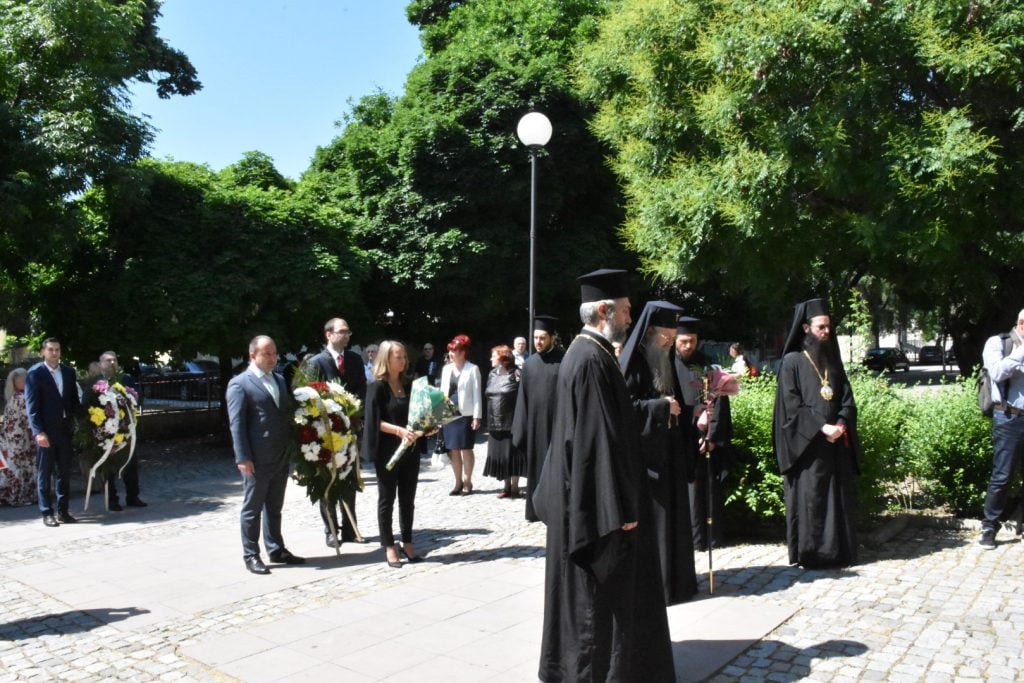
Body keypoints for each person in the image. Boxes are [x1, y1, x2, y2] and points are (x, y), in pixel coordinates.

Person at [533, 269, 674, 682]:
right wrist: (619, 510)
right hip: (596, 510)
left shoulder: (589, 353)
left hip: (588, 499)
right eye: (625, 310)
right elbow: (597, 444)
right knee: (595, 604)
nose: (630, 317)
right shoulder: (591, 359)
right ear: (603, 311)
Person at [619, 300, 696, 605]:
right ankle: (659, 586)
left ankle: (679, 582)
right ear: (650, 332)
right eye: (666, 337)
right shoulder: (633, 362)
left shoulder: (664, 358)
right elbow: (625, 409)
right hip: (647, 457)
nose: (669, 344)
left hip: (671, 451)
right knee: (657, 521)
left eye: (672, 338)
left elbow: (677, 401)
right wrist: (662, 407)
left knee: (676, 517)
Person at [773, 298, 860, 568]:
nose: (826, 331)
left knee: (838, 497)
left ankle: (839, 552)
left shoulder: (832, 361)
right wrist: (822, 427)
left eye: (828, 327)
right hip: (808, 446)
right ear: (806, 328)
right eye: (821, 327)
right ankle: (812, 555)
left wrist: (841, 424)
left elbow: (846, 398)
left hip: (835, 443)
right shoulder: (792, 362)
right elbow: (791, 405)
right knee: (813, 498)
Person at [227, 335, 304, 575]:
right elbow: (237, 424)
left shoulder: (279, 379)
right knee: (253, 508)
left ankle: (276, 549)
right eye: (266, 354)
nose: (272, 358)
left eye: (274, 354)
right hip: (257, 458)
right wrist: (243, 457)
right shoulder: (240, 384)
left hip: (280, 454)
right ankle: (251, 554)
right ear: (253, 356)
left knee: (274, 506)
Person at [363, 340, 428, 567]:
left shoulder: (410, 385)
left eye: (404, 356)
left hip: (410, 450)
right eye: (398, 357)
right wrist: (398, 430)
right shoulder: (377, 387)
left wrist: (429, 426)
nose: (403, 360)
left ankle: (407, 542)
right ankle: (389, 545)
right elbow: (373, 421)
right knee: (387, 499)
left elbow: (419, 415)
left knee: (408, 499)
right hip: (387, 451)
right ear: (386, 359)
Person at [306, 317, 367, 548]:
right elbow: (310, 396)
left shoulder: (354, 359)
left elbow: (361, 388)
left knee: (350, 477)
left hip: (350, 428)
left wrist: (354, 411)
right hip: (326, 432)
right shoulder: (316, 362)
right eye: (342, 331)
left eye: (348, 331)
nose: (347, 335)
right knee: (328, 480)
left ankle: (350, 528)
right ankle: (331, 530)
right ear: (329, 334)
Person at [675, 318, 734, 552]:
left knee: (706, 488)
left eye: (692, 341)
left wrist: (711, 436)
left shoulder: (708, 365)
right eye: (683, 341)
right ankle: (687, 538)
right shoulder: (667, 365)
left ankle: (708, 538)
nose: (688, 346)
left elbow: (719, 402)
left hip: (703, 439)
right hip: (679, 436)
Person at [979, 309, 1024, 549]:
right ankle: (989, 528)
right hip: (1009, 417)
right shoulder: (998, 343)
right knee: (1002, 475)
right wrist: (1022, 351)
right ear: (1021, 323)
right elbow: (996, 372)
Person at [511, 315, 563, 522]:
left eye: (542, 338)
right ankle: (535, 509)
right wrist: (520, 429)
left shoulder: (563, 361)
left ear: (552, 338)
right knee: (537, 468)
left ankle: (555, 509)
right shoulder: (530, 365)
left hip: (557, 425)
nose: (538, 342)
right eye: (535, 338)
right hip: (535, 427)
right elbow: (522, 399)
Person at [25, 338, 82, 527]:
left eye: (57, 349)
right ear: (43, 352)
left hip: (65, 429)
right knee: (45, 472)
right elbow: (32, 407)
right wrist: (38, 432)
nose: (54, 353)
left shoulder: (68, 372)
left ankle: (63, 511)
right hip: (46, 431)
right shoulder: (35, 373)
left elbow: (73, 401)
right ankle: (46, 512)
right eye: (50, 349)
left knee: (64, 471)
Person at [99, 351, 146, 510]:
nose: (112, 362)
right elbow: (89, 403)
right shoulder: (97, 382)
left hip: (126, 429)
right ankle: (112, 499)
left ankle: (133, 496)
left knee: (130, 464)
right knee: (109, 468)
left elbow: (137, 398)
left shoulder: (126, 379)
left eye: (114, 360)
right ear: (101, 364)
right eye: (108, 360)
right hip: (106, 431)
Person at [440, 334, 482, 495]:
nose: (451, 354)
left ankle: (467, 481)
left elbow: (477, 394)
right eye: (450, 351)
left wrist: (477, 416)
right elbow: (442, 393)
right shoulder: (446, 369)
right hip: (449, 412)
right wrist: (438, 415)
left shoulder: (473, 369)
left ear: (463, 352)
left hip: (466, 414)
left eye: (454, 351)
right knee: (453, 449)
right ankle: (457, 482)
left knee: (466, 448)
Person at [483, 345, 525, 498]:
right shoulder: (492, 374)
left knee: (513, 454)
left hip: (511, 422)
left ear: (502, 358)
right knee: (501, 455)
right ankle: (506, 486)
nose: (491, 359)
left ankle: (515, 487)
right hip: (494, 422)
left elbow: (523, 397)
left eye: (493, 356)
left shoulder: (516, 374)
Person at [1, 368, 36, 506]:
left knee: (14, 467)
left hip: (12, 438)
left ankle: (13, 495)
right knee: (23, 466)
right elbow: (28, 420)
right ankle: (20, 496)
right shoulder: (22, 398)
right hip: (21, 438)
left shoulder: (12, 397)